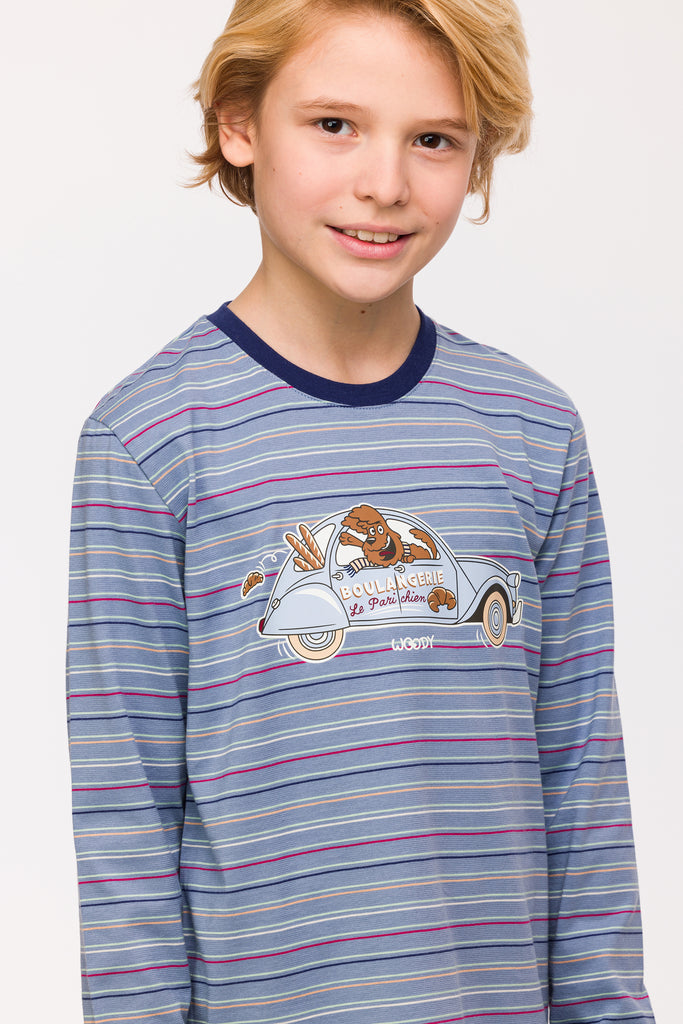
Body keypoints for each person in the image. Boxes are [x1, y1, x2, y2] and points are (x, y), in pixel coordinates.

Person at [66, 1, 655, 1021]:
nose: (384, 183)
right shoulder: (151, 441)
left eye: (433, 140)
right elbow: (128, 823)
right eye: (334, 124)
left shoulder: (531, 430)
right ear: (238, 123)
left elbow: (582, 787)